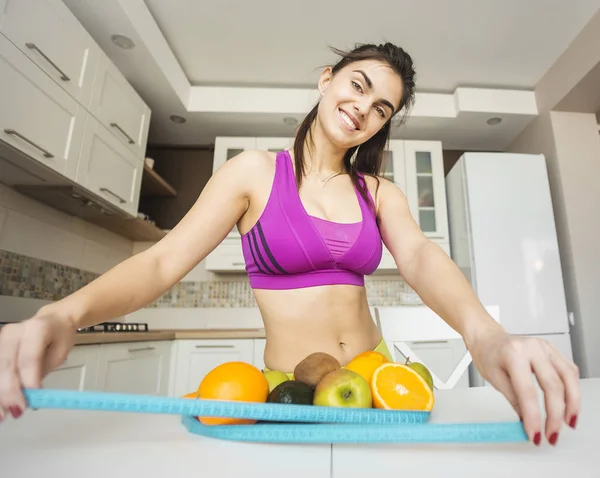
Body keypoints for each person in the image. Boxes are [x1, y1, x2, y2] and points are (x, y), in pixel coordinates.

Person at [0, 42, 579, 446]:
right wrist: (63, 314)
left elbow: (422, 258)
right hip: (289, 392)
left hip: (374, 381)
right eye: (359, 85)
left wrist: (486, 336)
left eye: (383, 108)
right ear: (327, 79)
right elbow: (160, 261)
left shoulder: (380, 193)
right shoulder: (252, 173)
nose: (364, 107)